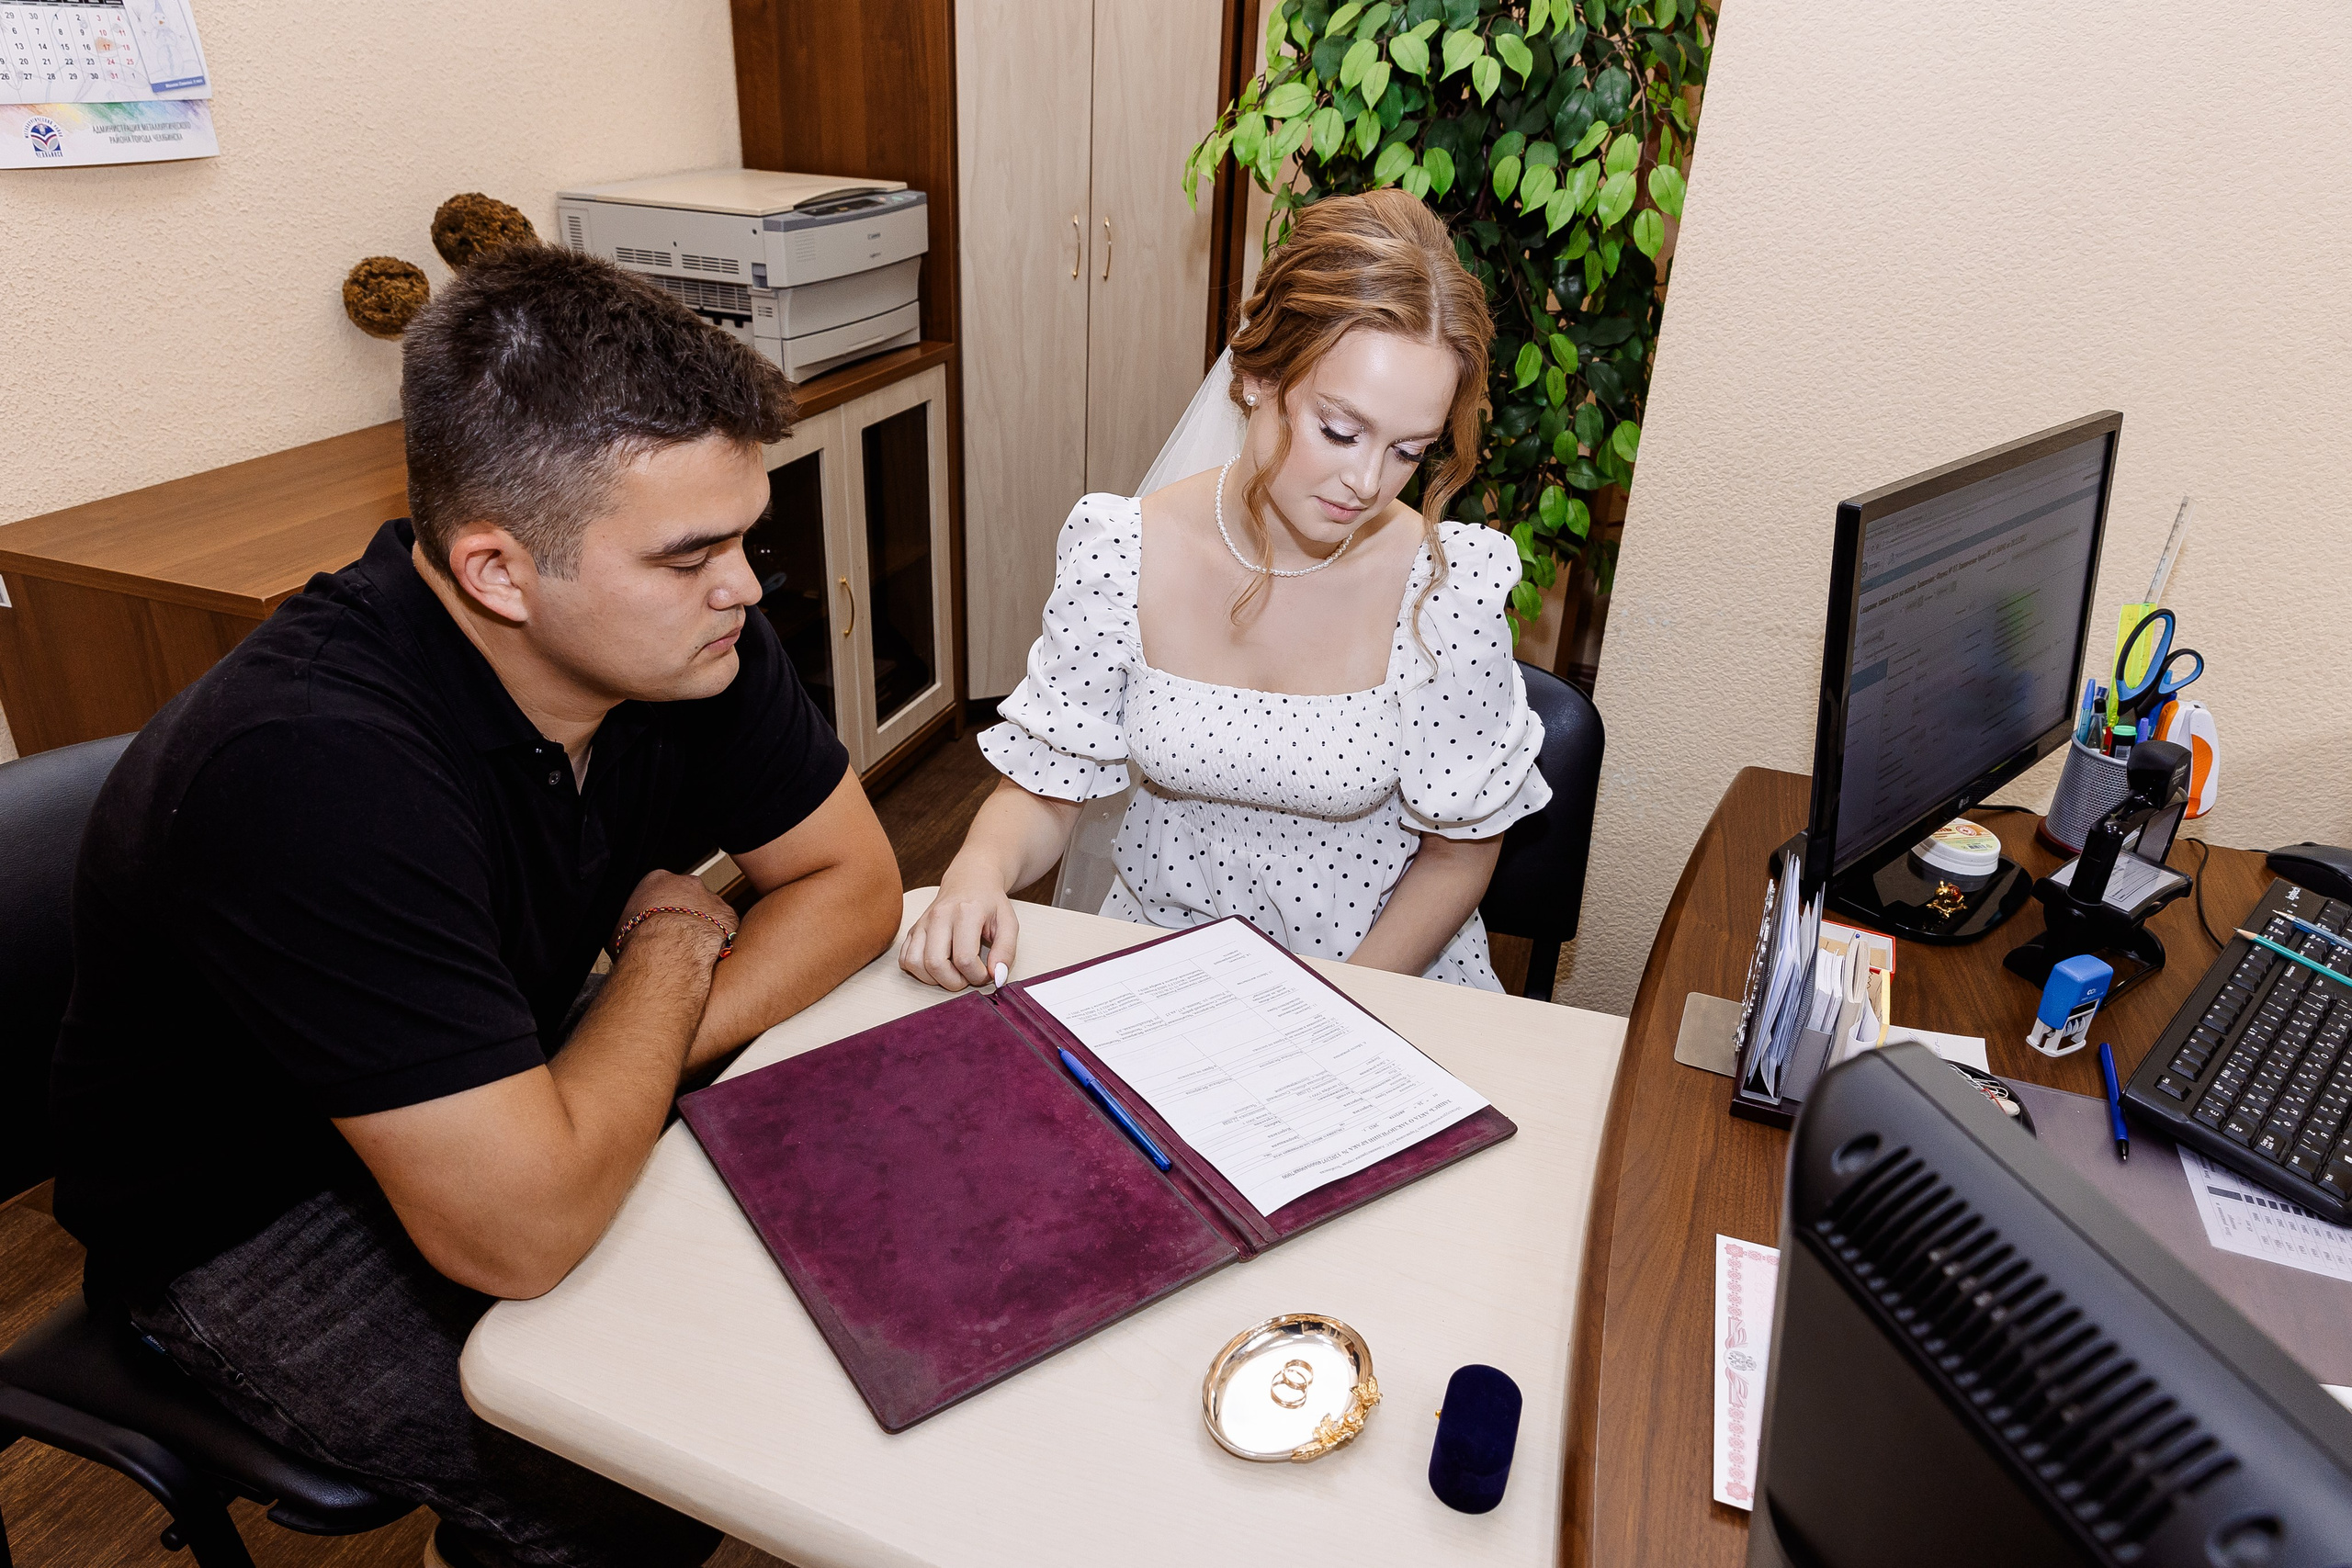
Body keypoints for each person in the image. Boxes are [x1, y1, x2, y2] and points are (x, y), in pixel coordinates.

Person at [48, 247, 904, 1568]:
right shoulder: (309, 767)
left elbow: (856, 883)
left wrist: (589, 1088)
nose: (742, 583)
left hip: (501, 1070)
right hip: (250, 1213)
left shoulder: (681, 637)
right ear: (499, 571)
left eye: (745, 531)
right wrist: (672, 946)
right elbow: (526, 1230)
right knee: (645, 1468)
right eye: (692, 552)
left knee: (812, 1298)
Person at [901, 189, 1548, 995]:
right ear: (1255, 377)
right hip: (1162, 967)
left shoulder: (1447, 591)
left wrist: (1335, 1002)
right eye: (1340, 431)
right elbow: (1047, 787)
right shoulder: (1122, 553)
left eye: (1408, 452)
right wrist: (977, 869)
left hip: (1375, 977)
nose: (1366, 481)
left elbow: (1459, 858)